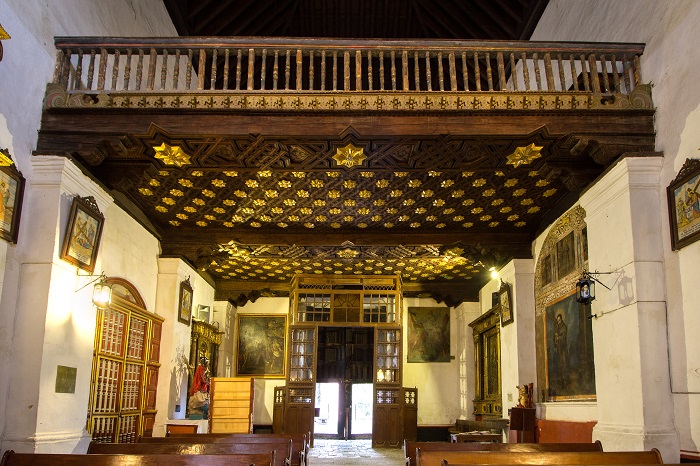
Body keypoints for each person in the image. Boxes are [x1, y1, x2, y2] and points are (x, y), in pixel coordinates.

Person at [554, 312, 569, 386]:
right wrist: (555, 337)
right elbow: (555, 338)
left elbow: (563, 338)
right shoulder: (557, 328)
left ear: (561, 319)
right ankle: (560, 380)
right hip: (559, 349)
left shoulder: (564, 327)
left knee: (564, 364)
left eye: (559, 320)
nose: (558, 322)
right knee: (559, 364)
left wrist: (558, 337)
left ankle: (565, 380)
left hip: (563, 349)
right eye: (557, 320)